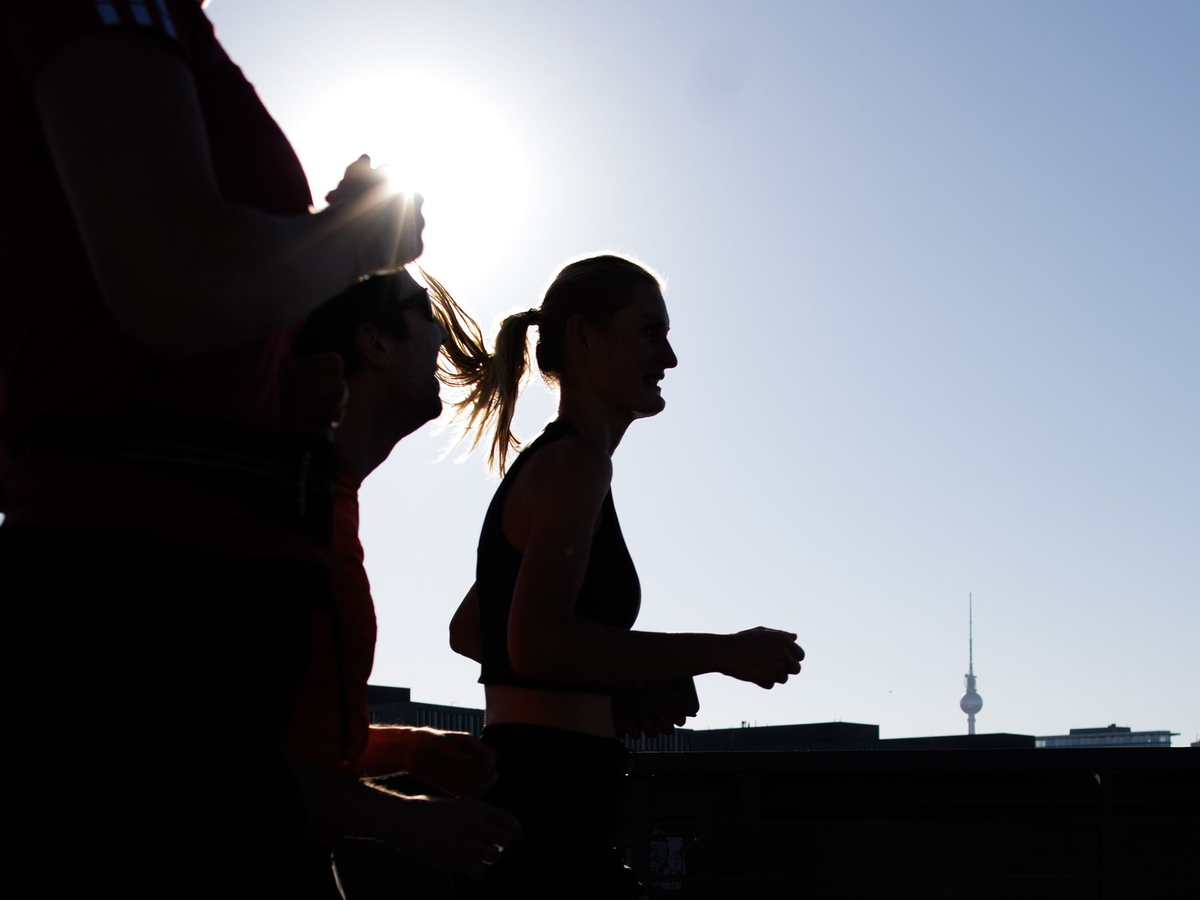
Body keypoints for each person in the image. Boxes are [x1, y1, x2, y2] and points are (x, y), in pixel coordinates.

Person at [1, 3, 421, 895]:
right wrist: (363, 238)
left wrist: (275, 395)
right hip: (144, 604)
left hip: (163, 600)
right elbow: (181, 281)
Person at [444, 254, 805, 898]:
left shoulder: (554, 464)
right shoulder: (578, 465)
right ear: (584, 337)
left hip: (531, 790)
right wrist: (721, 653)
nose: (669, 358)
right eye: (648, 333)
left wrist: (616, 691)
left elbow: (475, 629)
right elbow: (534, 643)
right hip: (552, 803)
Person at [287, 269, 521, 889]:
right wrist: (399, 820)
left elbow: (292, 737)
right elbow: (203, 750)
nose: (442, 333)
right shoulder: (284, 512)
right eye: (425, 314)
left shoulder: (326, 499)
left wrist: (410, 750)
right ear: (375, 342)